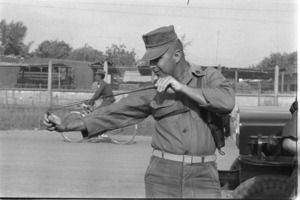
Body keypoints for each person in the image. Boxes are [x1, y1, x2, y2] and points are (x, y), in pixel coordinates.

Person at [43, 25, 235, 198]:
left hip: (204, 176)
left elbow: (226, 102)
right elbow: (112, 114)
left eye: (157, 59)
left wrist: (181, 88)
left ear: (177, 55)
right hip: (162, 176)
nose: (153, 67)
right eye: (150, 62)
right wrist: (66, 126)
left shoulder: (208, 77)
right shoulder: (152, 90)